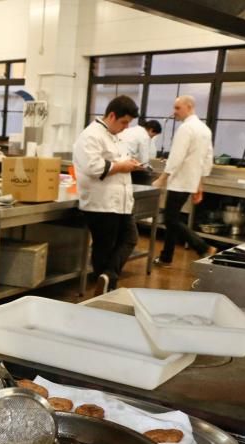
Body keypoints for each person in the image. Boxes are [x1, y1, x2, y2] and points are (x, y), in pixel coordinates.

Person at [73, 95, 144, 295]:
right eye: (123, 122)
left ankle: (108, 277)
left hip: (120, 202)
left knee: (130, 238)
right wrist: (122, 165)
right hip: (100, 202)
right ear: (112, 115)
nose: (125, 127)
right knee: (104, 247)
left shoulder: (115, 135)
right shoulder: (91, 135)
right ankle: (103, 288)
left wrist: (130, 163)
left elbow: (118, 159)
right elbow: (93, 167)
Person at [152, 96, 215, 265]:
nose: (174, 112)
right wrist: (200, 184)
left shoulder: (186, 128)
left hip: (179, 181)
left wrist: (162, 178)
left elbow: (176, 156)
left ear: (189, 107)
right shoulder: (205, 129)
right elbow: (207, 159)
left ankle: (203, 247)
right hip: (190, 182)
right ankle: (166, 257)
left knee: (170, 220)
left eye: (178, 108)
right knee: (174, 219)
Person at [119, 119, 161, 185]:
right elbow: (144, 160)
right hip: (125, 161)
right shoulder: (145, 136)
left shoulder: (133, 129)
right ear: (151, 130)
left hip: (117, 158)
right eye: (153, 135)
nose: (152, 138)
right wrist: (150, 169)